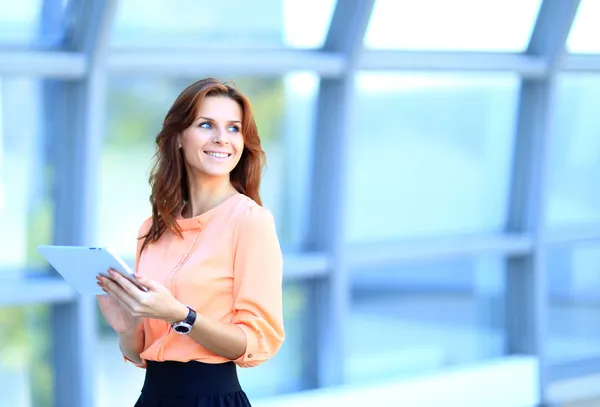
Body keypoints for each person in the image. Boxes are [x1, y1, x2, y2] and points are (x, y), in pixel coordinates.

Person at [96, 78, 285, 407]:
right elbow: (140, 354)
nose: (221, 139)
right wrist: (128, 329)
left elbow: (258, 341)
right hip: (152, 397)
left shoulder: (250, 221)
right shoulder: (151, 230)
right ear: (179, 137)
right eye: (207, 124)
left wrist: (181, 316)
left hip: (212, 399)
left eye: (233, 128)